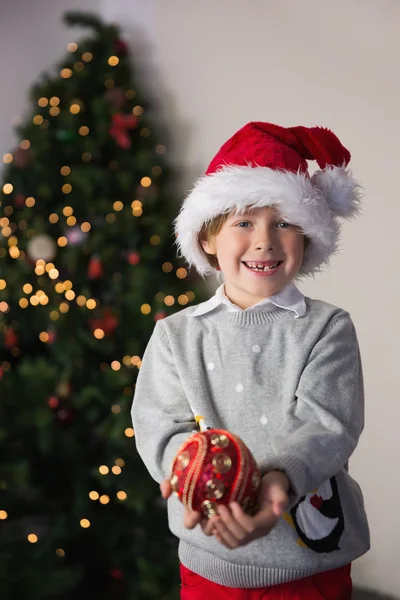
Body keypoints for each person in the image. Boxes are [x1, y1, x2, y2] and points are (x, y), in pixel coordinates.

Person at [131, 122, 370, 599]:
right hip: (208, 561)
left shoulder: (328, 327)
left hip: (309, 564)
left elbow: (328, 425)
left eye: (284, 222)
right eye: (244, 222)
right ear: (207, 240)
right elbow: (159, 424)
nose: (265, 241)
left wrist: (277, 478)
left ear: (307, 240)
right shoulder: (176, 334)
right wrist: (200, 479)